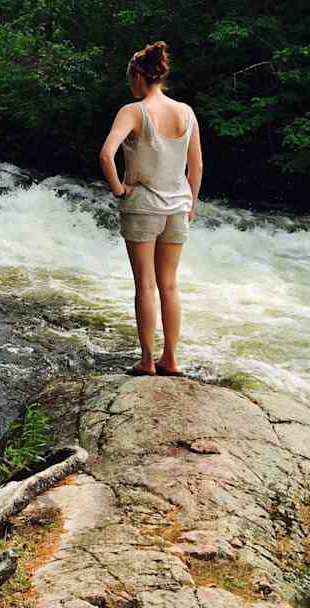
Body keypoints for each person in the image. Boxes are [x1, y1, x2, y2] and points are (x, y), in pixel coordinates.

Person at [98, 41, 203, 377]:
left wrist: (118, 189)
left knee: (145, 285)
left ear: (138, 77)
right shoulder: (186, 112)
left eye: (130, 80)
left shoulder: (133, 111)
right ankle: (170, 359)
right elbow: (196, 166)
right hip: (177, 207)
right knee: (169, 285)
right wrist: (191, 204)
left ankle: (147, 361)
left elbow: (105, 154)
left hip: (143, 206)